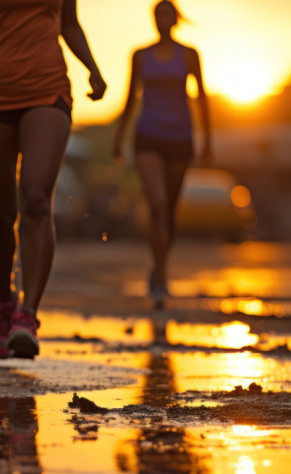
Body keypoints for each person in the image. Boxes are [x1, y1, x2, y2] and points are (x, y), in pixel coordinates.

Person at [0, 0, 106, 360]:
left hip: (47, 89)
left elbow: (70, 24)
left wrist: (91, 67)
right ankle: (5, 303)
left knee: (36, 201)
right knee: (0, 214)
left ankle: (27, 316)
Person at [112, 0, 212, 302]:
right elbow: (130, 97)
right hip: (148, 136)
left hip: (179, 138)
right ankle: (161, 277)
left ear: (176, 19)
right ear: (153, 20)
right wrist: (119, 138)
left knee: (169, 211)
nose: (162, 20)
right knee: (157, 205)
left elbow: (202, 97)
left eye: (167, 14)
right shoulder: (141, 56)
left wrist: (208, 141)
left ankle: (160, 267)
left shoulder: (190, 55)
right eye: (157, 15)